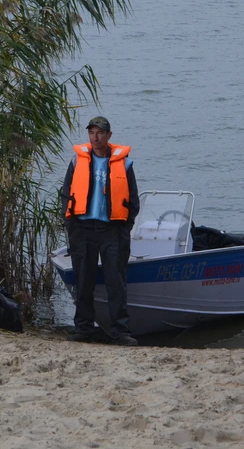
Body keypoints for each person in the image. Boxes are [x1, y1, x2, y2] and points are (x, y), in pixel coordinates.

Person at [61, 116, 140, 346]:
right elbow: (66, 196)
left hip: (112, 230)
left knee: (116, 282)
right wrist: (71, 227)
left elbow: (133, 201)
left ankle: (120, 332)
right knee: (83, 281)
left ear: (109, 136)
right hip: (83, 229)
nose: (95, 138)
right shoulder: (77, 162)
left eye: (100, 133)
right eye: (91, 133)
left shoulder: (124, 164)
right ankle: (84, 330)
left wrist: (125, 229)